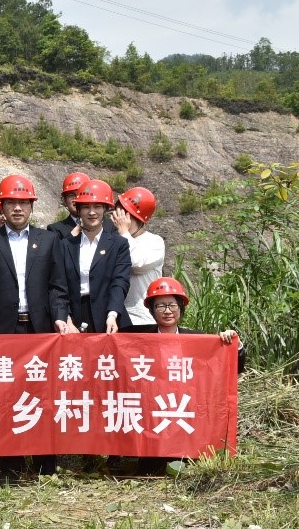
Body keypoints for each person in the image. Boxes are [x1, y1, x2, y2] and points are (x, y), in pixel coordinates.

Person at [0, 174, 68, 480]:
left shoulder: (48, 240)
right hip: (5, 330)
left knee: (44, 394)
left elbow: (58, 286)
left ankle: (45, 464)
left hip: (40, 329)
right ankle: (11, 466)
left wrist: (59, 316)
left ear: (31, 206)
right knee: (7, 396)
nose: (17, 208)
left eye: (23, 203)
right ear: (1, 208)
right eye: (11, 203)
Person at [124, 276, 243, 474]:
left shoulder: (198, 339)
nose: (167, 311)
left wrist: (232, 346)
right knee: (149, 470)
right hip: (152, 409)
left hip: (186, 406)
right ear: (152, 310)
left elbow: (229, 369)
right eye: (160, 305)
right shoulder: (138, 338)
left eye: (172, 304)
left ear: (181, 307)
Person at [54, 179, 130, 334]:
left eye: (97, 206)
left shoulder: (118, 244)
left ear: (105, 209)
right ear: (79, 210)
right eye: (86, 207)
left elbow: (119, 282)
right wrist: (66, 318)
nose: (92, 212)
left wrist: (113, 314)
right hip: (74, 317)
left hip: (109, 316)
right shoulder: (65, 245)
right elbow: (59, 287)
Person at [110, 186, 166, 326]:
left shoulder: (155, 242)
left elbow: (136, 264)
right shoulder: (111, 239)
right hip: (115, 316)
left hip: (143, 317)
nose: (120, 220)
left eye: (125, 216)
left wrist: (124, 232)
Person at [47, 171, 91, 239]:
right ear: (64, 200)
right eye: (72, 195)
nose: (76, 199)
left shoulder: (109, 226)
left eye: (81, 194)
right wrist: (78, 229)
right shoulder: (55, 230)